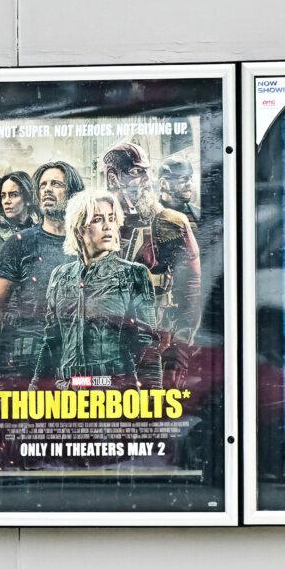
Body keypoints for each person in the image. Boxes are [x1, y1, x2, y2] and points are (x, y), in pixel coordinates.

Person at [31, 190, 162, 391]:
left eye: (111, 219)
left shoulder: (134, 274)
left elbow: (148, 344)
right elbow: (51, 341)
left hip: (116, 392)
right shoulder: (59, 276)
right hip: (67, 393)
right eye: (98, 219)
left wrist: (153, 398)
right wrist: (35, 388)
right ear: (78, 229)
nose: (108, 226)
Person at [103, 142, 201, 389]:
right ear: (113, 178)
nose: (145, 179)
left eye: (145, 171)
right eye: (135, 172)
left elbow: (191, 286)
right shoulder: (97, 225)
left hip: (156, 344)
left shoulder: (169, 223)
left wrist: (180, 346)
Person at [0, 160, 83, 381]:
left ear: (73, 193)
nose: (47, 189)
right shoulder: (19, 242)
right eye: (43, 185)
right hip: (29, 355)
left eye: (56, 184)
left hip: (77, 356)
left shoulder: (87, 242)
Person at [0, 170, 39, 277]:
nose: (6, 201)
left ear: (28, 199)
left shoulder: (38, 230)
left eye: (13, 195)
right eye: (3, 196)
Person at [158, 155, 200, 226]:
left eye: (190, 179)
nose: (190, 184)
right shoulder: (150, 216)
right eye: (183, 179)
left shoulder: (198, 213)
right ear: (163, 183)